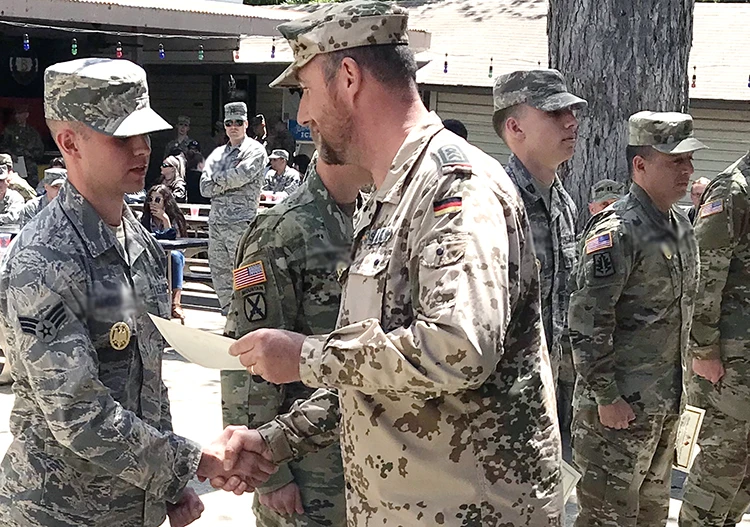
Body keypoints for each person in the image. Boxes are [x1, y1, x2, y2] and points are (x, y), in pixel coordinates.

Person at [216, 2, 563, 525]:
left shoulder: (453, 188)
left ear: (348, 77)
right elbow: (377, 377)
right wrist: (276, 440)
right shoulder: (389, 197)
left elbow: (459, 348)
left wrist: (306, 357)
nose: (303, 115)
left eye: (306, 90)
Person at [0, 57, 278, 527]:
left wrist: (167, 486)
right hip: (60, 511)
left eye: (145, 133)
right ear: (69, 143)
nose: (142, 149)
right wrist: (191, 462)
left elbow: (147, 377)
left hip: (130, 507)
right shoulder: (43, 259)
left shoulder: (137, 241)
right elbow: (79, 414)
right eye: (120, 136)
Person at [568, 111, 704, 527]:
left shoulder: (680, 226)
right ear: (640, 165)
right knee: (607, 518)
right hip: (617, 411)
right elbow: (588, 323)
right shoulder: (617, 231)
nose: (687, 170)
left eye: (689, 160)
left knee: (651, 516)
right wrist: (606, 397)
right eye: (674, 161)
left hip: (663, 406)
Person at [222, 153, 357, 526]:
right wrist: (271, 476)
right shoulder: (283, 230)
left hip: (363, 457)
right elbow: (246, 358)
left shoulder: (370, 220)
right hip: (306, 470)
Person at [492, 69, 585, 385]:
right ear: (515, 127)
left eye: (571, 111)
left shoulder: (564, 204)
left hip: (550, 383)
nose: (571, 122)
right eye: (554, 112)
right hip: (502, 393)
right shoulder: (494, 203)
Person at [679, 149, 750, 526]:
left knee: (744, 474)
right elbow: (703, 275)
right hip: (729, 366)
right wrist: (703, 350)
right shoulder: (733, 190)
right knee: (721, 466)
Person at [200, 102, 268, 314]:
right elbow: (203, 187)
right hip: (217, 224)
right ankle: (230, 317)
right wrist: (226, 180)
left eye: (238, 122)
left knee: (247, 275)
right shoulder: (218, 154)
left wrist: (217, 181)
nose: (233, 127)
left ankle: (251, 319)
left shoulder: (255, 150)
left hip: (241, 224)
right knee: (221, 275)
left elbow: (241, 175)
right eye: (229, 123)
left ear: (246, 124)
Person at [140, 184, 189, 322]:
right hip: (152, 255)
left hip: (171, 257)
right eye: (150, 199)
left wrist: (166, 221)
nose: (152, 203)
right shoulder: (145, 219)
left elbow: (180, 246)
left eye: (157, 200)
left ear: (165, 202)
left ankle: (175, 303)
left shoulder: (175, 218)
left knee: (175, 257)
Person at [0, 104, 45, 189]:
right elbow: (2, 147)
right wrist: (11, 155)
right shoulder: (9, 131)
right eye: (16, 114)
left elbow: (40, 150)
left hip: (30, 168)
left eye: (20, 114)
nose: (17, 116)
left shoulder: (32, 132)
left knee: (32, 188)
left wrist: (30, 155)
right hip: (15, 166)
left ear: (26, 115)